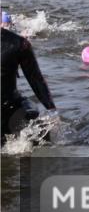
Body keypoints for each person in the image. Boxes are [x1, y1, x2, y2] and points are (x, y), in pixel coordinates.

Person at [1, 11, 57, 143]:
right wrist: (52, 109)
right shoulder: (20, 43)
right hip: (9, 111)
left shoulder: (19, 43)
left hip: (8, 110)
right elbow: (36, 79)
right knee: (38, 122)